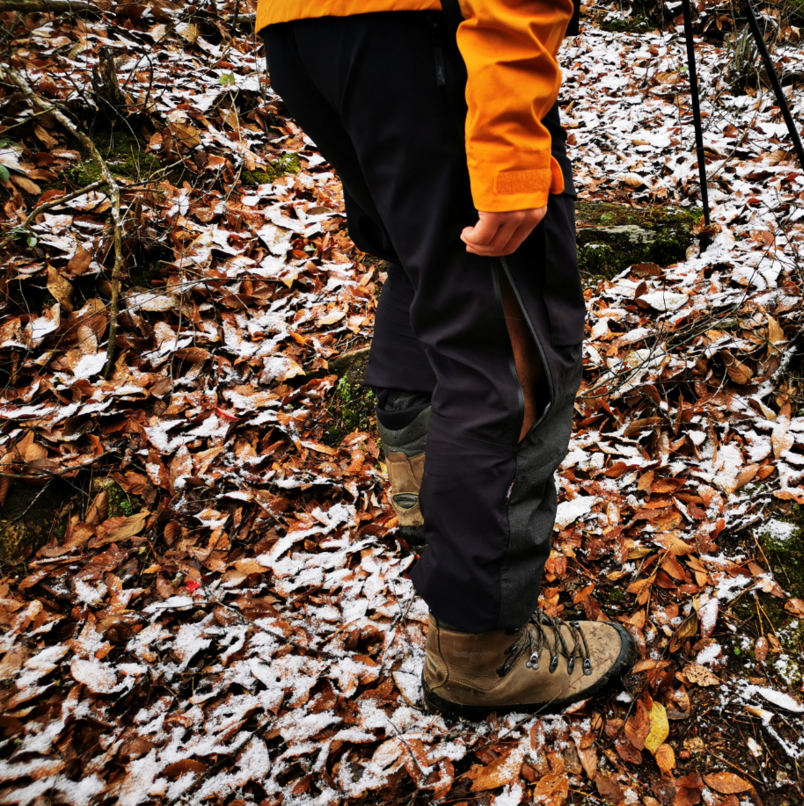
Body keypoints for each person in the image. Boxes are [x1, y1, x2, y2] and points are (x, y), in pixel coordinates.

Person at [256, 0, 635, 715]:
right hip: (428, 32)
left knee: (431, 262)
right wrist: (513, 139)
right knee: (504, 351)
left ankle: (426, 492)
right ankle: (480, 651)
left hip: (302, 30)